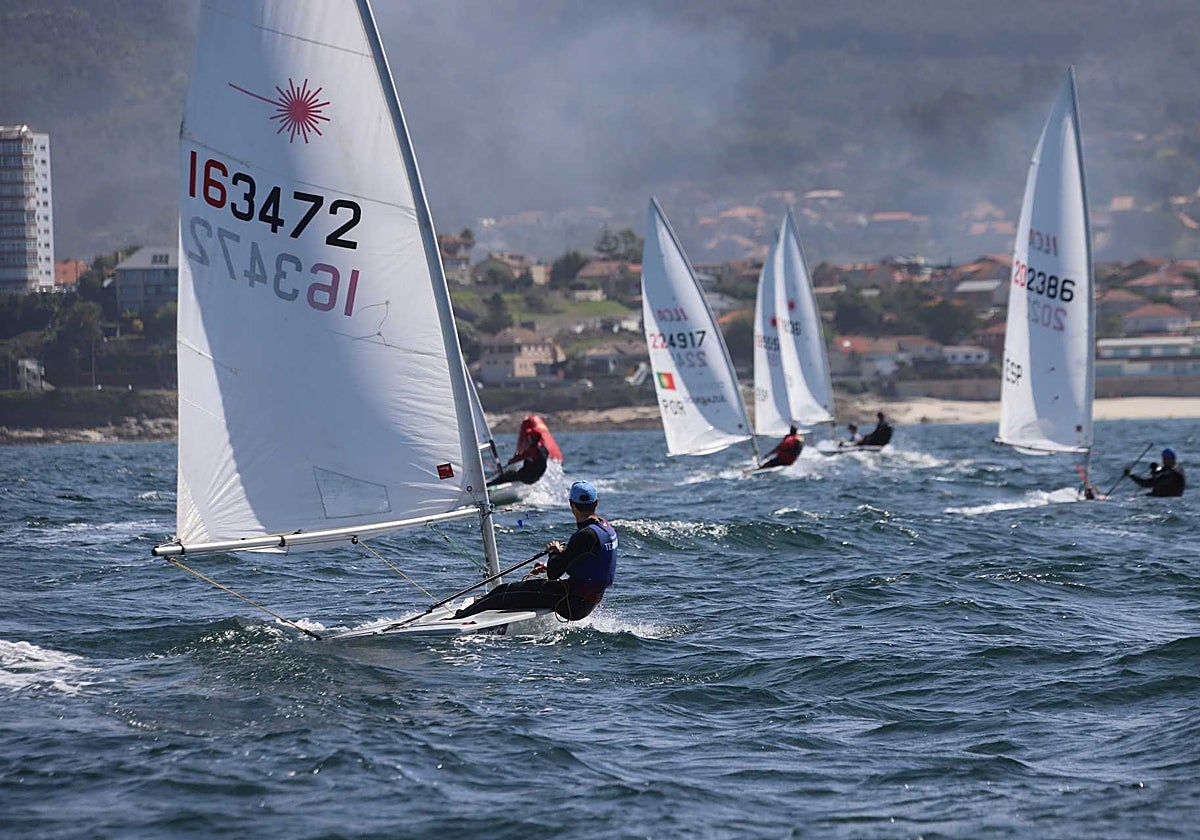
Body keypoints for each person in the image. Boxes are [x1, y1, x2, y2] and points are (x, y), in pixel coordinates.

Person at [455, 481, 617, 621]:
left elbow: (554, 574)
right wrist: (550, 563)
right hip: (587, 600)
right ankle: (469, 613)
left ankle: (459, 618)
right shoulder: (604, 527)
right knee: (516, 591)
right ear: (596, 503)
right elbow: (586, 561)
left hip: (573, 603)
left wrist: (553, 551)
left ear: (571, 505)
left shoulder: (585, 534)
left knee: (502, 592)